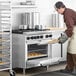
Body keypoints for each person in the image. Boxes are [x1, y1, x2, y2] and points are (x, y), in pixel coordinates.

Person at [54, 1, 76, 73]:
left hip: (74, 30)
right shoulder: (66, 12)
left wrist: (63, 38)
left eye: (57, 10)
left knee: (73, 50)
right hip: (73, 30)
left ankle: (73, 69)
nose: (57, 12)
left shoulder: (67, 14)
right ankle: (70, 68)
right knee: (69, 49)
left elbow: (70, 28)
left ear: (61, 8)